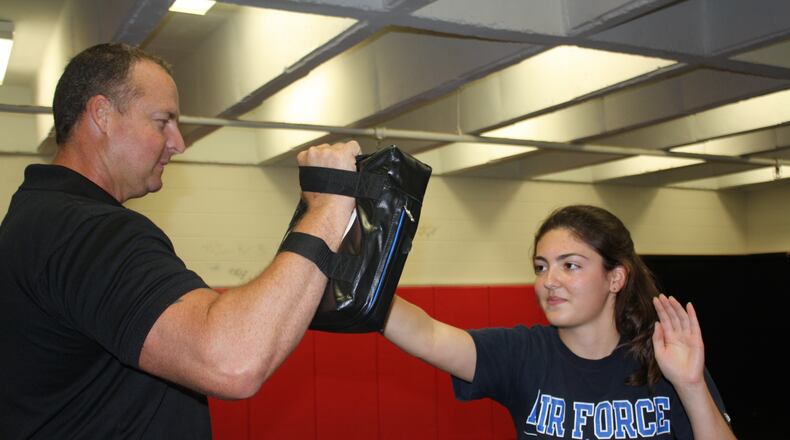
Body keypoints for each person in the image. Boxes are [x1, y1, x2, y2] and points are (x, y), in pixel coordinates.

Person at [0, 43, 360, 438]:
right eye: (162, 121)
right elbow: (232, 361)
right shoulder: (88, 231)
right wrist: (328, 206)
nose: (178, 142)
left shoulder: (35, 219)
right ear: (102, 114)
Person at [383, 205, 736, 439]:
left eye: (570, 265)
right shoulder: (522, 354)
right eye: (541, 266)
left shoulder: (664, 359)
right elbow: (427, 335)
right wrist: (360, 278)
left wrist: (691, 386)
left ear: (615, 279)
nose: (549, 280)